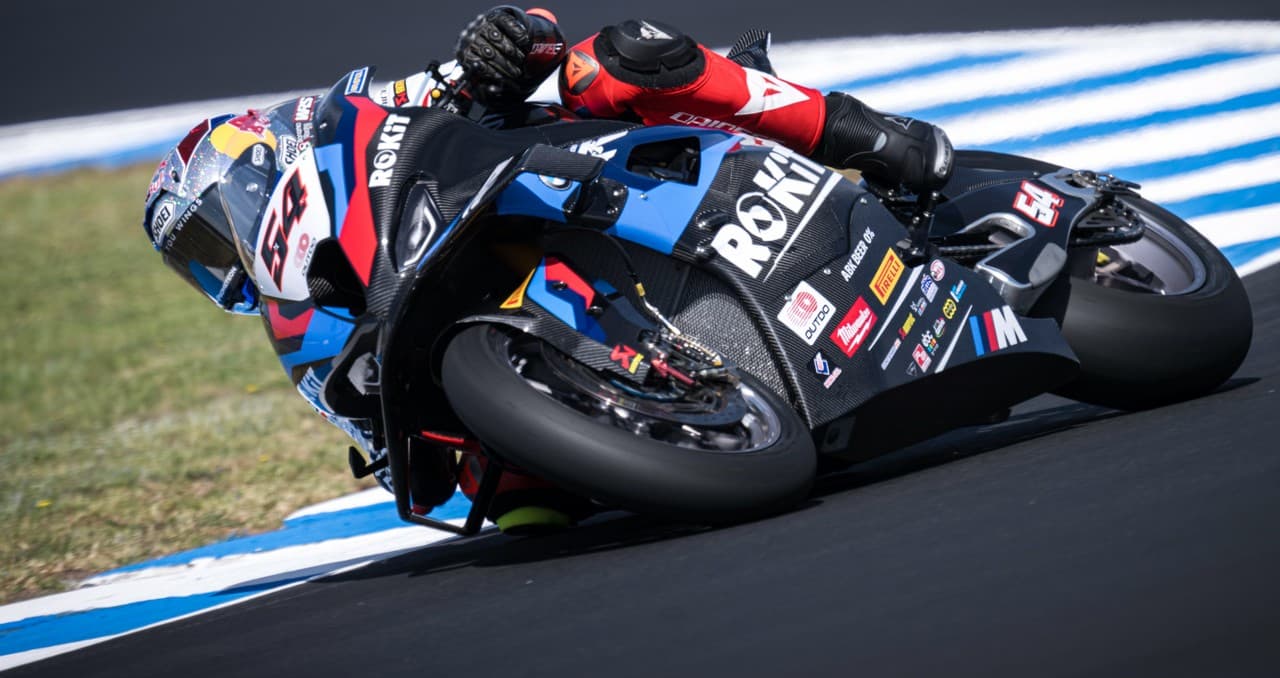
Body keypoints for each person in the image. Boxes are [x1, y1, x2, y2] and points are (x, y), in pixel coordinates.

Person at [142, 7, 953, 533]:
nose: (224, 269)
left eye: (212, 241)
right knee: (518, 510)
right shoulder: (302, 318)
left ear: (251, 173)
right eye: (200, 267)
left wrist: (498, 40)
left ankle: (863, 137)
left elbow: (534, 29)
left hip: (599, 169)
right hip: (545, 334)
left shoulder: (363, 117)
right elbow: (411, 468)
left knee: (619, 56)